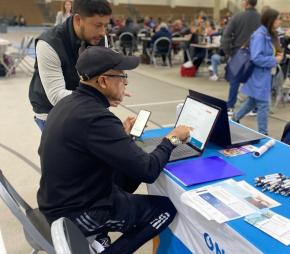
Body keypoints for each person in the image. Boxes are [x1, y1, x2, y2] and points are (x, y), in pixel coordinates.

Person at [37, 46, 192, 253]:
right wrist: (171, 139)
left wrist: (122, 136)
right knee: (164, 209)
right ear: (103, 81)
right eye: (122, 77)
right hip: (76, 215)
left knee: (129, 174)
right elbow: (148, 171)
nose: (125, 83)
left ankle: (100, 238)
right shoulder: (96, 118)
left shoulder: (69, 104)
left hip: (59, 200)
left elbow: (86, 144)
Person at [29, 0, 112, 131]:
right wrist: (99, 98)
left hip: (86, 104)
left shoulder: (100, 38)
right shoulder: (48, 44)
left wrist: (115, 85)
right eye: (98, 25)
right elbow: (57, 96)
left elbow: (101, 74)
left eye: (105, 25)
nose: (103, 32)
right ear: (78, 20)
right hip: (52, 111)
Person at [232, 8, 283, 135]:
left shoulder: (268, 34)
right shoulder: (260, 35)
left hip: (263, 75)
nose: (280, 21)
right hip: (258, 76)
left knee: (252, 101)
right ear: (271, 20)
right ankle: (263, 133)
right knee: (263, 105)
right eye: (278, 19)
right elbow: (256, 57)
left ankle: (235, 118)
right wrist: (274, 60)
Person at [221, 0, 261, 112]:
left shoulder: (237, 16)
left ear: (246, 3)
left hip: (239, 53)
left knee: (235, 81)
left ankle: (230, 106)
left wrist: (228, 52)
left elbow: (226, 35)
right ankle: (255, 107)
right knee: (254, 81)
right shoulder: (261, 19)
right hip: (256, 54)